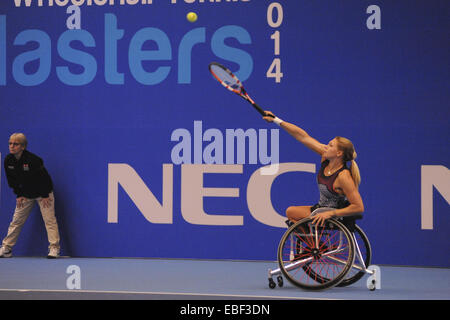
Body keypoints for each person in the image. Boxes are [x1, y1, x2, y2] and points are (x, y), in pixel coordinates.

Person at [263, 112, 364, 226]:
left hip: (333, 218)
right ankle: (314, 243)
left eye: (330, 145)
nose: (325, 146)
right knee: (291, 212)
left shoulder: (343, 176)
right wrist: (276, 120)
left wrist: (331, 214)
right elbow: (302, 136)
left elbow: (358, 207)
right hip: (320, 210)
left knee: (294, 217)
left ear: (338, 153)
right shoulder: (326, 158)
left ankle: (315, 242)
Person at [0, 133, 60, 258]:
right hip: (25, 195)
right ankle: (7, 248)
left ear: (23, 147)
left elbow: (45, 179)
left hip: (43, 194)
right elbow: (12, 180)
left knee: (49, 220)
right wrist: (19, 194)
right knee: (16, 221)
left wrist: (44, 195)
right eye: (10, 143)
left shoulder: (33, 160)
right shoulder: (8, 160)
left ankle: (54, 248)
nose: (11, 146)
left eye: (15, 144)